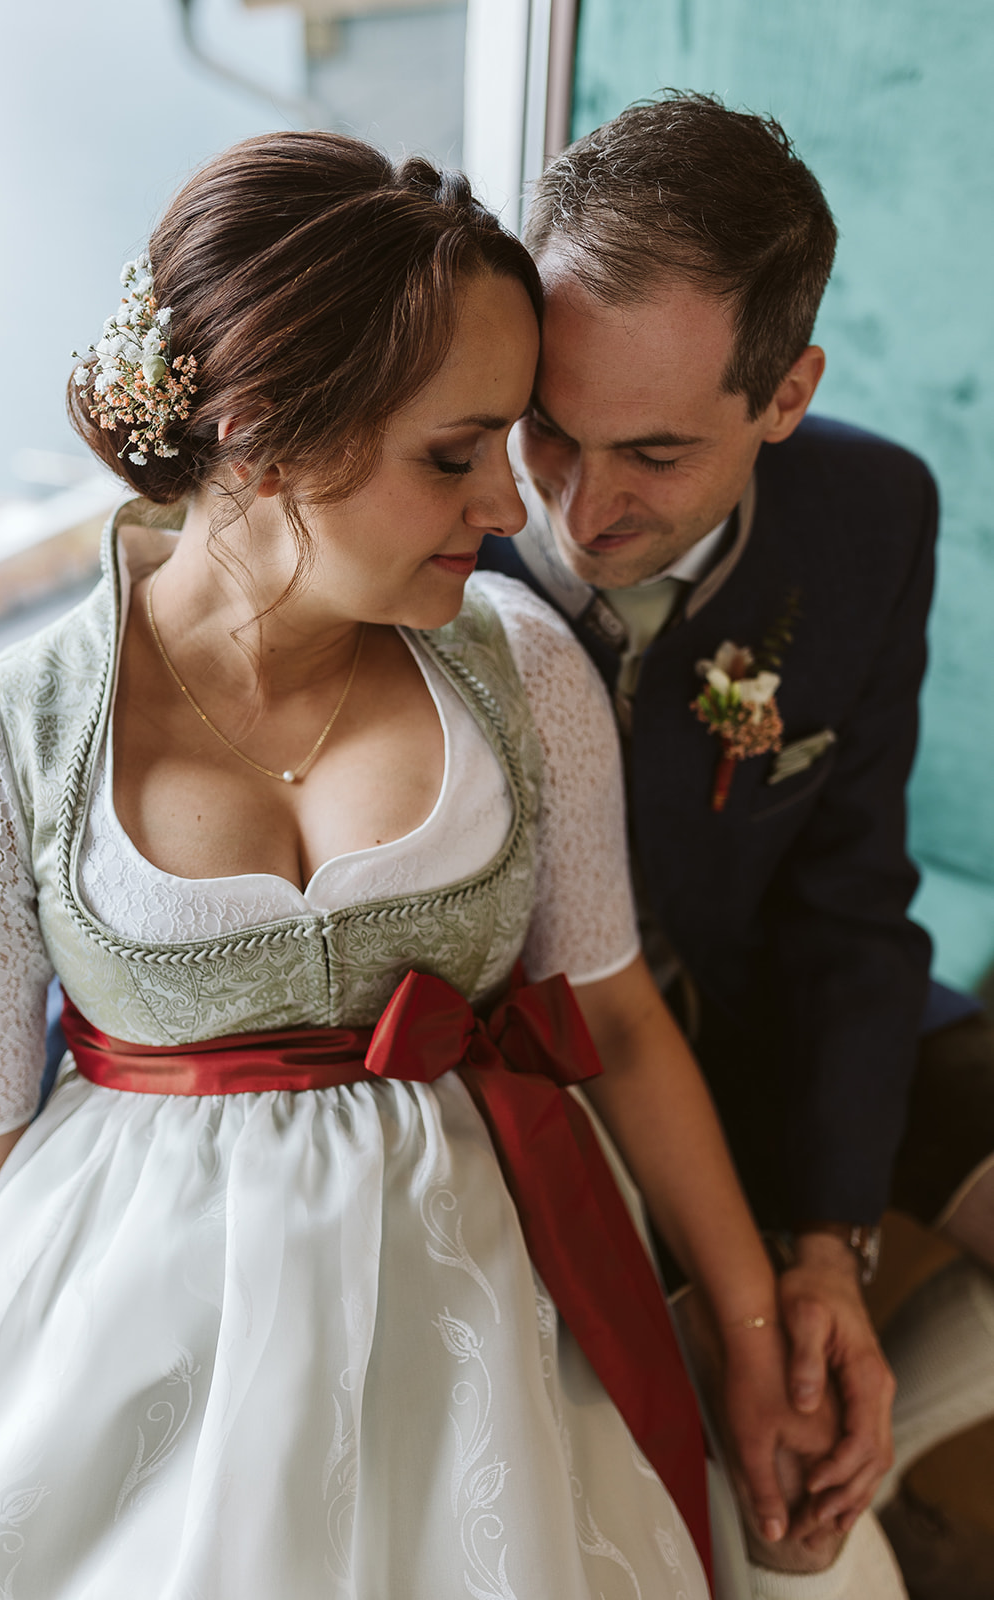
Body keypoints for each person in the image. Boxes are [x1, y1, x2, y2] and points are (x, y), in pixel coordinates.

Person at [0, 130, 823, 1599]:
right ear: (275, 436)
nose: (505, 507)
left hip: (492, 1332)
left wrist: (749, 1339)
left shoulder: (521, 671)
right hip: (133, 1364)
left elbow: (619, 1025)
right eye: (455, 454)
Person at [479, 91, 994, 1592]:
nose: (574, 509)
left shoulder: (870, 511)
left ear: (785, 396)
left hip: (787, 994)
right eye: (548, 432)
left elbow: (852, 897)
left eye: (651, 454)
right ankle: (820, 1496)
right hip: (561, 1054)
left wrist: (830, 1239)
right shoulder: (445, 516)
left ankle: (877, 1440)